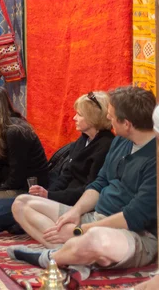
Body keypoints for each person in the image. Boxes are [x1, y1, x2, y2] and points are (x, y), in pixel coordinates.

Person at [8, 86, 157, 273]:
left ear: (126, 123)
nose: (108, 119)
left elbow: (134, 217)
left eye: (111, 115)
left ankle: (52, 258)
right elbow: (100, 182)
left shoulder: (154, 159)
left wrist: (82, 229)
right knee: (22, 204)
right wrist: (75, 212)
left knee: (96, 238)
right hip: (96, 218)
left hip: (135, 234)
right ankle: (74, 253)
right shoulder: (121, 140)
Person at [0, 91, 114, 237]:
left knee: (18, 202)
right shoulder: (83, 140)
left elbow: (88, 189)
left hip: (76, 203)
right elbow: (65, 174)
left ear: (92, 118)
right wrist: (49, 192)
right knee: (17, 203)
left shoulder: (105, 146)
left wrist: (50, 195)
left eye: (79, 114)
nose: (74, 118)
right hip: (57, 193)